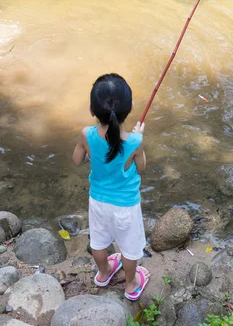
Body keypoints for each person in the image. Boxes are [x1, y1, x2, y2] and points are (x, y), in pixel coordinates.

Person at [72, 73, 150, 301]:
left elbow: (77, 161)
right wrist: (138, 140)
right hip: (125, 205)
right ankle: (130, 283)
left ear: (91, 109)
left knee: (98, 240)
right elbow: (142, 168)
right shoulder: (135, 141)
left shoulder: (86, 134)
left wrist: (92, 154)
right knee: (129, 247)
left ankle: (103, 273)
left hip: (98, 201)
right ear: (131, 106)